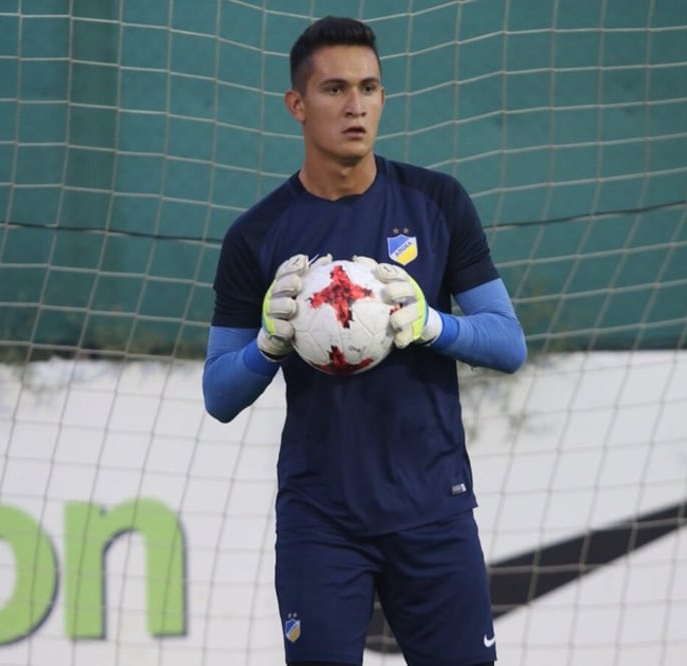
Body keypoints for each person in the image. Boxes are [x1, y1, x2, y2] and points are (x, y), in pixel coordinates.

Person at [203, 15, 526, 666]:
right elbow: (218, 392)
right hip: (321, 518)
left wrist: (431, 323)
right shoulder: (257, 234)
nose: (355, 106)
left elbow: (507, 344)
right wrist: (268, 343)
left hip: (433, 506)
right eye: (334, 90)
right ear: (296, 104)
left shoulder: (436, 202)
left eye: (369, 87)